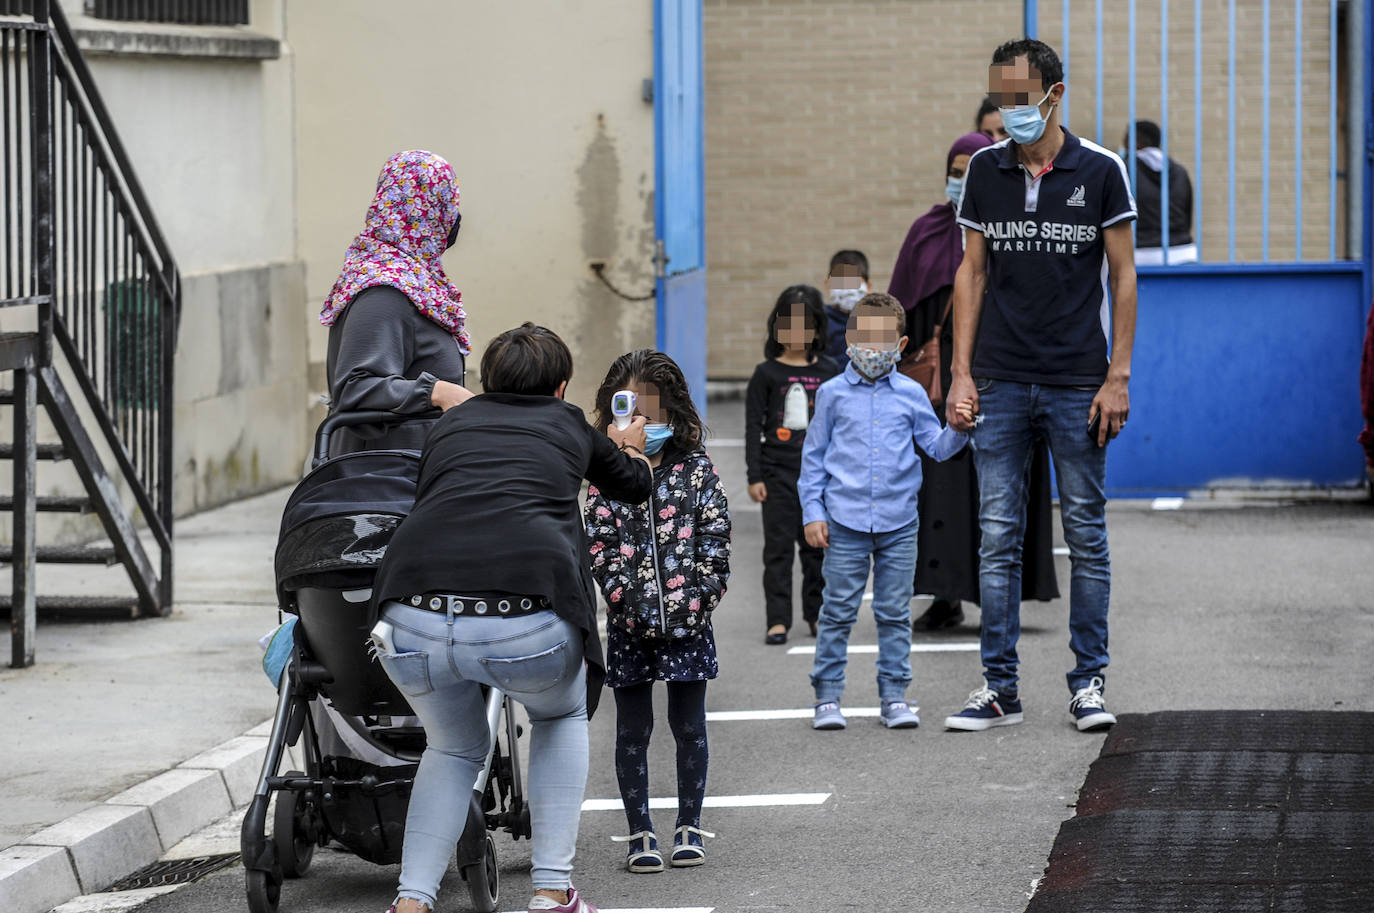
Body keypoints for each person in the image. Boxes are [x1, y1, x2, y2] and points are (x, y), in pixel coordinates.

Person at [369, 323, 653, 913]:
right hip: (525, 620)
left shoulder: (449, 426)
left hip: (409, 617)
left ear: (486, 380)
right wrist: (629, 445)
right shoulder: (568, 422)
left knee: (451, 749)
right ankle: (551, 891)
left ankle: (412, 902)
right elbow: (632, 487)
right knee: (560, 715)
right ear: (561, 386)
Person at [945, 38, 1138, 734]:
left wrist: (1117, 376)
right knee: (997, 537)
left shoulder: (1102, 170)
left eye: (1020, 97)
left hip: (1078, 382)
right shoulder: (985, 170)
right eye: (1001, 97)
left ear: (1055, 95)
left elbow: (1123, 275)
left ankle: (1088, 684)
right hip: (999, 379)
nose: (1009, 110)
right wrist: (961, 373)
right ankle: (1000, 688)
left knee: (1085, 533)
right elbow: (971, 273)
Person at [888, 133, 1061, 630]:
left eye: (970, 172)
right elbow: (903, 307)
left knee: (1001, 491)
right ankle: (945, 596)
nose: (962, 181)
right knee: (942, 489)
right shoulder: (925, 231)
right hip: (939, 386)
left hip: (1003, 374)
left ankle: (1001, 599)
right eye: (955, 171)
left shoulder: (1009, 228)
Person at [585, 350, 731, 873]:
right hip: (629, 627)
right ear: (612, 412)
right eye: (630, 410)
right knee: (632, 732)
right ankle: (639, 831)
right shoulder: (604, 476)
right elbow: (598, 544)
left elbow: (716, 537)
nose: (642, 423)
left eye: (653, 411)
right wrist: (624, 602)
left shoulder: (697, 469)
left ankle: (689, 824)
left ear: (673, 411)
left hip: (690, 623)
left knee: (689, 727)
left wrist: (700, 596)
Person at [800, 293, 971, 731]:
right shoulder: (832, 395)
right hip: (844, 521)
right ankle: (826, 697)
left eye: (883, 339)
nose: (873, 349)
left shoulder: (912, 394)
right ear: (849, 340)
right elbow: (814, 458)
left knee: (894, 613)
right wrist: (812, 512)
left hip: (899, 523)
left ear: (901, 343)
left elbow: (935, 447)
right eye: (865, 338)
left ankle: (894, 696)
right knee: (837, 610)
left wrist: (957, 429)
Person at [321, 150, 475, 454]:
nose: (454, 218)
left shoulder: (413, 282)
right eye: (447, 203)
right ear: (430, 209)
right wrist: (436, 392)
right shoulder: (386, 291)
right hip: (384, 475)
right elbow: (355, 387)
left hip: (410, 470)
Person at [745, 286, 841, 645]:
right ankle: (777, 620)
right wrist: (754, 475)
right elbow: (752, 427)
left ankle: (816, 614)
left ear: (817, 329)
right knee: (778, 551)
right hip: (777, 474)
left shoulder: (830, 371)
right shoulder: (766, 374)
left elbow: (841, 426)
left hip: (820, 478)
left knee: (816, 549)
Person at [1121, 119, 1196, 265]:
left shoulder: (1124, 169)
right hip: (1183, 251)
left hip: (1141, 253)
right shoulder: (1179, 171)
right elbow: (1187, 213)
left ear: (1135, 141)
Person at [821, 250, 870, 365]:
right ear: (828, 284)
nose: (848, 289)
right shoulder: (820, 324)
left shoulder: (876, 324)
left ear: (868, 287)